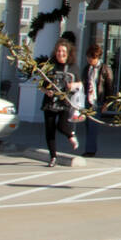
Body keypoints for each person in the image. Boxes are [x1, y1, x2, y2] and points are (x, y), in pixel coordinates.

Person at [41, 39, 81, 167]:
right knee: (49, 130)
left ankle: (71, 135)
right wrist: (46, 91)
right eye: (58, 51)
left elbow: (80, 83)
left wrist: (73, 85)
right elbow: (41, 85)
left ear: (68, 53)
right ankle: (53, 157)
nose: (60, 53)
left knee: (62, 125)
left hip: (65, 102)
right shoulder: (50, 65)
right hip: (50, 102)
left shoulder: (73, 67)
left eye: (63, 51)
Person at [81, 44, 115, 157]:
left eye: (92, 57)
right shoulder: (87, 68)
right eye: (88, 57)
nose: (90, 59)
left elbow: (110, 87)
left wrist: (107, 103)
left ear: (98, 57)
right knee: (87, 125)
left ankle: (90, 150)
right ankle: (89, 147)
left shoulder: (105, 69)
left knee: (93, 125)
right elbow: (83, 83)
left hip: (98, 100)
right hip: (87, 100)